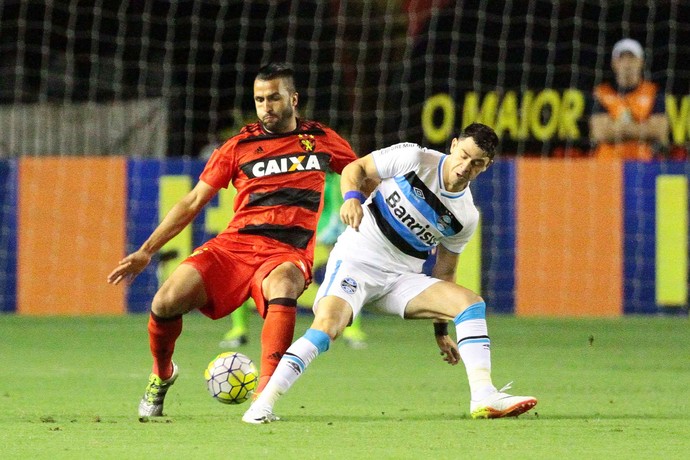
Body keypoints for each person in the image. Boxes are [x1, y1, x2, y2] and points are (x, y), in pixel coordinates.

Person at [107, 63, 359, 417]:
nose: (266, 107)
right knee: (165, 300)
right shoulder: (239, 146)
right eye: (259, 100)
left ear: (294, 99)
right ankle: (161, 374)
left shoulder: (321, 140)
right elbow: (193, 201)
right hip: (234, 247)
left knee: (284, 283)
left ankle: (265, 394)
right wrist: (147, 251)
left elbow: (361, 173)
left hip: (286, 251)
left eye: (274, 98)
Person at [242, 123, 537, 424]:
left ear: (486, 167)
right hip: (357, 260)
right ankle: (263, 404)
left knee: (471, 304)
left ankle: (484, 395)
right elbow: (354, 169)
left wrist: (441, 331)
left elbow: (445, 272)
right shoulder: (414, 159)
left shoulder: (465, 216)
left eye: (476, 164)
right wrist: (352, 199)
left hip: (400, 279)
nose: (465, 167)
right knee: (328, 326)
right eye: (463, 155)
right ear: (453, 145)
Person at [589, 38, 669, 160]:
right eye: (622, 58)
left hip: (643, 165)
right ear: (614, 63)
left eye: (632, 57)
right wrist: (642, 128)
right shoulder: (601, 92)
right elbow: (600, 133)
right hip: (607, 166)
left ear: (641, 61)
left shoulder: (653, 92)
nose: (627, 63)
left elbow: (659, 131)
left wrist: (617, 129)